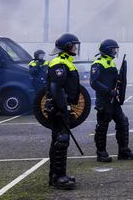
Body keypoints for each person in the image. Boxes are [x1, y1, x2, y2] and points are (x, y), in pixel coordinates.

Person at [90, 39, 133, 163]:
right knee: (102, 127)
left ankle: (123, 151)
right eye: (113, 49)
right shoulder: (98, 63)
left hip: (114, 101)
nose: (115, 51)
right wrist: (108, 91)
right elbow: (94, 82)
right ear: (106, 50)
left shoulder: (111, 63)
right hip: (104, 101)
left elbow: (112, 80)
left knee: (123, 122)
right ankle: (101, 153)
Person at [46, 33, 81, 190]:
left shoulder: (66, 61)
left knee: (60, 140)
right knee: (61, 140)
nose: (75, 47)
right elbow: (56, 87)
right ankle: (58, 177)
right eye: (73, 45)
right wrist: (62, 108)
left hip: (63, 106)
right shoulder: (59, 63)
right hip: (58, 108)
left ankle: (57, 175)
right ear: (67, 46)